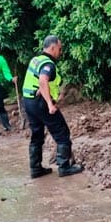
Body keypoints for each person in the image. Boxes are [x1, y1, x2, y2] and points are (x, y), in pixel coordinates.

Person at [22, 35, 83, 178]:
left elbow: (37, 80)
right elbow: (43, 80)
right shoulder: (48, 64)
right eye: (59, 49)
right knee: (62, 133)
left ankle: (35, 169)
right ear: (52, 47)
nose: (60, 52)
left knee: (36, 135)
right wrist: (50, 104)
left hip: (29, 102)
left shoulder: (36, 59)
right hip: (42, 103)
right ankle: (64, 167)